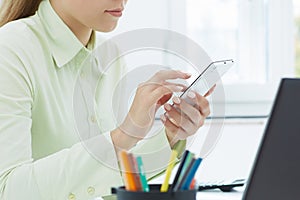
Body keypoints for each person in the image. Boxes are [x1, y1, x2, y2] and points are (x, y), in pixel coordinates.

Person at [0, 0, 213, 199]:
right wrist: (122, 136)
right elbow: (8, 190)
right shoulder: (10, 49)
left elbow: (105, 180)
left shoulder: (111, 56)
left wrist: (170, 136)